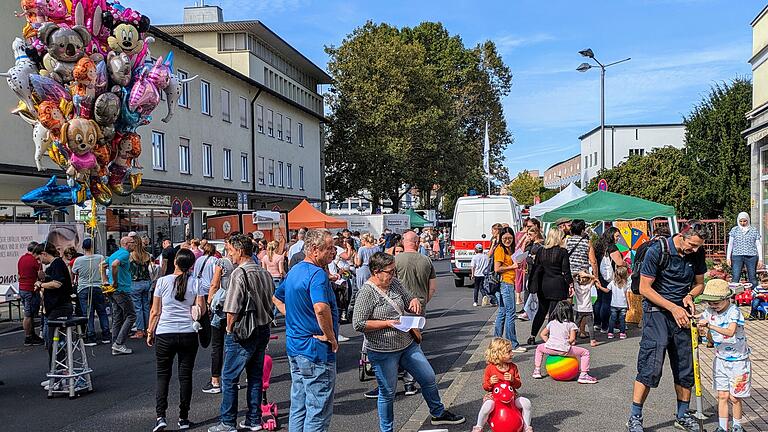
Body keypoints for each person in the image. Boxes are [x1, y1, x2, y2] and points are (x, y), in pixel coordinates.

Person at [353, 252, 465, 431]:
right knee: (387, 392)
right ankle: (387, 429)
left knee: (428, 378)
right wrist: (387, 323)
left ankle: (438, 413)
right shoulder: (366, 293)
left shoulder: (394, 283)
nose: (393, 275)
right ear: (376, 271)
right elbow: (358, 324)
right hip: (383, 351)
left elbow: (407, 299)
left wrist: (413, 300)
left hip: (407, 344)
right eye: (389, 272)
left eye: (393, 271)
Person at [626, 222, 709, 432]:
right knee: (650, 366)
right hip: (657, 313)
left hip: (681, 314)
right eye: (692, 245)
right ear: (682, 235)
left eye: (699, 246)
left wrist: (690, 295)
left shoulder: (696, 254)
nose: (695, 250)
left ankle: (682, 415)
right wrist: (673, 307)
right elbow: (645, 288)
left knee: (685, 366)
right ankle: (635, 417)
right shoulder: (658, 251)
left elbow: (700, 284)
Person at [273, 229, 339, 432]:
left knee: (299, 405)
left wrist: (291, 315)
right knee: (317, 410)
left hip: (296, 346)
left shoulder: (296, 270)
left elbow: (277, 297)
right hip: (315, 349)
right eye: (329, 248)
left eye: (333, 247)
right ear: (314, 250)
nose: (333, 252)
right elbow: (320, 308)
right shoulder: (317, 273)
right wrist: (330, 337)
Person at [208, 235, 275, 432]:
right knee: (254, 376)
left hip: (244, 330)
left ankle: (228, 422)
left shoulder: (239, 274)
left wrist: (229, 328)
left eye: (230, 250)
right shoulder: (264, 272)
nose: (229, 254)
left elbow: (232, 308)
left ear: (239, 251)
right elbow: (271, 299)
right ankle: (253, 419)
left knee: (229, 377)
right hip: (263, 327)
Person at [147, 248, 205, 432]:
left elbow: (155, 311)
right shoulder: (196, 283)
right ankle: (183, 417)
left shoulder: (162, 282)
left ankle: (160, 416)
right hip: (188, 333)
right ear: (191, 265)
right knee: (185, 376)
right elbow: (201, 310)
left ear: (175, 263)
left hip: (165, 332)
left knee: (163, 375)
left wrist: (150, 331)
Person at [696, 279, 751, 432]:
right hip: (720, 360)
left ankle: (737, 425)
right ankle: (722, 427)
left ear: (727, 298)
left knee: (734, 397)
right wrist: (693, 319)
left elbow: (731, 331)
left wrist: (709, 326)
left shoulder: (734, 311)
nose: (713, 306)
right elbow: (699, 318)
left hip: (739, 361)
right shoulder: (710, 311)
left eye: (717, 303)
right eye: (710, 303)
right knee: (722, 396)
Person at [472, 337, 533, 432]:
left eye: (511, 351)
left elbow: (518, 385)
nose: (512, 353)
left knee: (526, 403)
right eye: (508, 352)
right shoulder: (490, 368)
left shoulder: (513, 367)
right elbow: (485, 387)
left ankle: (527, 426)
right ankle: (478, 426)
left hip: (512, 396)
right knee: (487, 406)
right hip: (494, 396)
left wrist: (513, 380)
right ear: (498, 354)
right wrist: (490, 382)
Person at [532, 300, 597, 384]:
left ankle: (537, 370)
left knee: (539, 348)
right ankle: (583, 375)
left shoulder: (551, 323)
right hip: (563, 350)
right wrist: (568, 343)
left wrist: (550, 342)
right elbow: (572, 339)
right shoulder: (571, 325)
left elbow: (543, 334)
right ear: (569, 312)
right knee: (585, 352)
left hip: (549, 347)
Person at [528, 228, 572, 346]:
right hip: (558, 284)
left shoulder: (541, 251)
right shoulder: (562, 252)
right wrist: (570, 284)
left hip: (543, 284)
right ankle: (552, 336)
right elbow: (566, 271)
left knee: (541, 311)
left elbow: (536, 268)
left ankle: (532, 335)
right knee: (554, 313)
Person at [203, 238, 236, 394]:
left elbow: (215, 284)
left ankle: (215, 380)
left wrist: (209, 301)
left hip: (221, 307)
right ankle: (232, 380)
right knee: (233, 345)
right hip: (236, 307)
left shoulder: (222, 262)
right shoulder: (241, 263)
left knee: (217, 346)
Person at [33, 242, 74, 358]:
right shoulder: (55, 265)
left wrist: (41, 285)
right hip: (55, 307)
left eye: (39, 258)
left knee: (55, 341)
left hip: (59, 308)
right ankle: (58, 368)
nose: (39, 262)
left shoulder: (57, 264)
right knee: (53, 340)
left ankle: (60, 368)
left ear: (44, 254)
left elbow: (57, 284)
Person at [72, 239, 110, 346]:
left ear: (83, 248)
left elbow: (74, 272)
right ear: (93, 247)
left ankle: (91, 336)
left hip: (84, 288)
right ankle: (106, 334)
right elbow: (105, 268)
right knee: (102, 311)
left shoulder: (78, 260)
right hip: (98, 287)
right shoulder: (100, 258)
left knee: (88, 313)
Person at [494, 227, 525, 351]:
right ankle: (512, 344)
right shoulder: (500, 249)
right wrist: (512, 266)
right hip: (506, 283)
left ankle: (497, 342)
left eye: (510, 238)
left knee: (502, 312)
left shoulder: (509, 249)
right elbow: (497, 268)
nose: (508, 240)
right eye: (505, 238)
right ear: (501, 238)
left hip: (507, 282)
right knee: (510, 313)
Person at [106, 236, 137, 355]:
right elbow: (114, 265)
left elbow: (103, 265)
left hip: (114, 290)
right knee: (131, 315)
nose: (134, 244)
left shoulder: (115, 253)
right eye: (132, 242)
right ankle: (118, 343)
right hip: (121, 289)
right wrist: (114, 281)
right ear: (126, 244)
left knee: (117, 317)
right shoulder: (124, 254)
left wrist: (106, 280)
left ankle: (116, 345)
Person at [593, 226, 626, 333]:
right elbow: (619, 262)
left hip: (599, 275)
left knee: (599, 300)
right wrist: (626, 263)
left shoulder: (599, 246)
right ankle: (605, 325)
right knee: (606, 301)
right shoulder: (612, 247)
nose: (618, 238)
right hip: (608, 277)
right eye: (617, 236)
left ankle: (597, 323)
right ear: (611, 235)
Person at [727, 212, 762, 290]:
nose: (743, 223)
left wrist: (760, 259)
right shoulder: (734, 230)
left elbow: (758, 245)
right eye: (741, 221)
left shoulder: (753, 230)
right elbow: (730, 244)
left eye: (745, 221)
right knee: (736, 276)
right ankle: (734, 295)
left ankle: (754, 293)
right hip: (737, 256)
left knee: (752, 276)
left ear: (748, 220)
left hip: (751, 256)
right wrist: (728, 258)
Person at [18, 241, 43, 346]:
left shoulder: (21, 259)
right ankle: (28, 337)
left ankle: (32, 335)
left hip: (22, 288)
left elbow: (19, 275)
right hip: (30, 289)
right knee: (28, 314)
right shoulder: (35, 260)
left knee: (29, 313)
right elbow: (41, 276)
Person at [130, 235, 153, 339]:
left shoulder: (131, 255)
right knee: (146, 306)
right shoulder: (147, 255)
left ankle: (139, 331)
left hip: (135, 282)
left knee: (138, 308)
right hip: (146, 282)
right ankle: (148, 329)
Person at [573, 271, 600, 347]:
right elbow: (594, 278)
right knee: (590, 325)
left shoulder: (576, 286)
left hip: (579, 309)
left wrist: (578, 273)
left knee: (576, 324)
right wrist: (587, 275)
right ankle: (592, 341)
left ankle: (573, 339)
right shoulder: (588, 286)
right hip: (588, 309)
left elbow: (573, 276)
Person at [603, 266, 630, 339]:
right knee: (622, 320)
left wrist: (599, 286)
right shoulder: (626, 283)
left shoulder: (612, 282)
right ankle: (622, 333)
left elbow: (606, 290)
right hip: (623, 305)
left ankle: (610, 333)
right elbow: (626, 295)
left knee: (612, 319)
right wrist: (628, 304)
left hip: (614, 304)